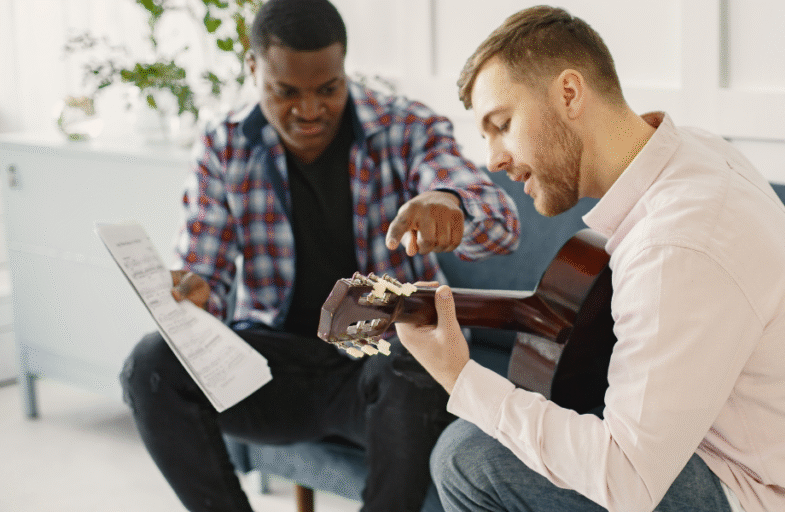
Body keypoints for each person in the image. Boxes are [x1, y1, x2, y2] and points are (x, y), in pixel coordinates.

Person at [394, 6, 785, 512]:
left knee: (467, 457)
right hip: (743, 460)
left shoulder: (676, 242)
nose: (493, 159)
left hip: (769, 497)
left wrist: (460, 378)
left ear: (570, 94)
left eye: (503, 124)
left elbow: (627, 483)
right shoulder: (694, 153)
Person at [118, 0, 519, 511]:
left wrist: (450, 203)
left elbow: (501, 226)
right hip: (271, 370)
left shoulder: (407, 127)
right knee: (148, 365)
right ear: (253, 71)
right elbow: (206, 276)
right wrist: (194, 296)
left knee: (411, 363)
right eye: (286, 92)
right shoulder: (224, 147)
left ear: (343, 70)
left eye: (327, 89)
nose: (309, 111)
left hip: (378, 369)